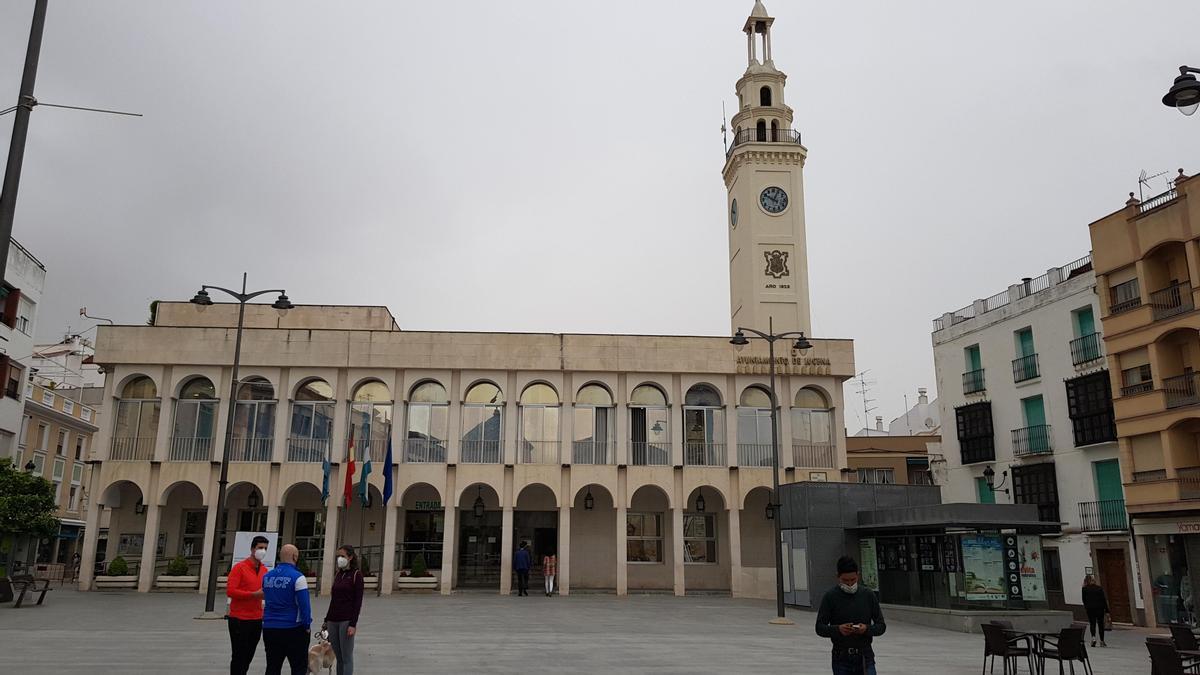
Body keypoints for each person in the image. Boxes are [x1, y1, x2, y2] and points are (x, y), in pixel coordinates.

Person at [815, 556, 886, 675]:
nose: (849, 584)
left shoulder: (868, 595)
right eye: (845, 580)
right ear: (838, 577)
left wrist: (866, 629)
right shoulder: (830, 597)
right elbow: (819, 628)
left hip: (864, 656)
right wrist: (838, 629)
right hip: (841, 657)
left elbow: (881, 626)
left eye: (853, 580)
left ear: (858, 575)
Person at [262, 543, 312, 675]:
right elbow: (304, 605)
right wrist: (307, 625)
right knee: (298, 667)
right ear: (295, 557)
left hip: (270, 627)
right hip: (293, 627)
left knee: (272, 666)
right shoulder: (298, 577)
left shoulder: (267, 576)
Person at [226, 535, 269, 675]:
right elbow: (231, 591)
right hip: (239, 619)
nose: (262, 551)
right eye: (260, 548)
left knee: (249, 655)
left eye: (265, 548)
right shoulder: (240, 568)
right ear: (252, 549)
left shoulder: (264, 570)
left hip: (256, 618)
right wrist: (252, 595)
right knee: (239, 655)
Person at [323, 544, 364, 675]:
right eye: (338, 556)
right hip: (333, 620)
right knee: (338, 657)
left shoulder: (356, 575)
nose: (339, 559)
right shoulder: (338, 575)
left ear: (350, 557)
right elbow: (333, 599)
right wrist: (326, 620)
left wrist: (353, 624)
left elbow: (358, 602)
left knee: (346, 657)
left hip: (346, 621)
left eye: (342, 556)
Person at [1082, 575, 1110, 647]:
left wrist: (1087, 607)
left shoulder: (1084, 589)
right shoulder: (1099, 588)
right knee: (1100, 624)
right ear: (1093, 580)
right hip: (1099, 608)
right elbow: (1103, 600)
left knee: (1092, 623)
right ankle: (1102, 641)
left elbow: (1084, 600)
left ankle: (1093, 638)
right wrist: (1107, 611)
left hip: (1090, 609)